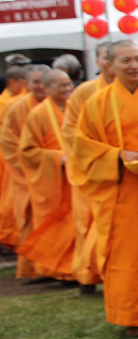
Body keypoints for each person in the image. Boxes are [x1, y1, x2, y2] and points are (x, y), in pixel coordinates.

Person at [71, 42, 138, 336]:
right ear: (109, 65)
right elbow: (82, 147)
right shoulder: (97, 103)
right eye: (126, 60)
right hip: (123, 190)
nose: (134, 66)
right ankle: (132, 315)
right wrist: (116, 154)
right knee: (126, 254)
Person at [17, 67, 76, 281]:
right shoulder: (38, 115)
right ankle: (55, 271)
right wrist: (57, 157)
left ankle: (77, 269)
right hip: (53, 180)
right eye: (61, 85)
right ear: (47, 88)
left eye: (69, 84)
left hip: (76, 177)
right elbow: (27, 151)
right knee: (55, 224)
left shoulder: (76, 108)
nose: (67, 88)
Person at [1, 66, 50, 278]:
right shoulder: (16, 108)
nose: (40, 86)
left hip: (59, 172)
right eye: (35, 82)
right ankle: (35, 269)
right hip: (29, 173)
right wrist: (33, 164)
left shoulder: (60, 104)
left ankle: (63, 270)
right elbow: (9, 143)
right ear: (26, 84)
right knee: (31, 219)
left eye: (43, 82)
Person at [62, 63, 105, 293]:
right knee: (87, 222)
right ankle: (88, 273)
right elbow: (71, 132)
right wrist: (107, 155)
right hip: (92, 167)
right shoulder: (85, 93)